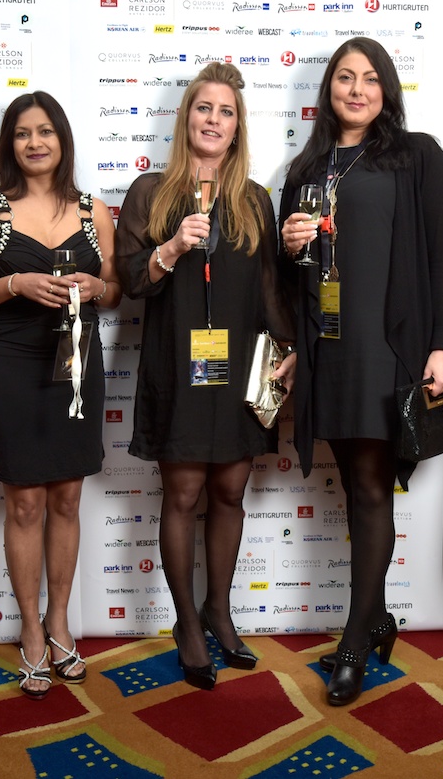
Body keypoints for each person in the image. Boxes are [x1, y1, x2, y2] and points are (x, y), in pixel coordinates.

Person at [279, 37, 443, 707]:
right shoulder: (306, 168)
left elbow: (442, 257)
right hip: (328, 346)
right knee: (357, 485)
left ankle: (355, 642)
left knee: (372, 486)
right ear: (328, 88)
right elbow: (294, 272)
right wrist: (290, 244)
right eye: (345, 77)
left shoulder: (417, 156)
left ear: (387, 89)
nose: (357, 89)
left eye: (370, 78)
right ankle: (378, 617)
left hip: (388, 346)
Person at [116, 62, 296, 690]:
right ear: (185, 117)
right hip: (178, 365)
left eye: (226, 111)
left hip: (239, 367)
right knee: (183, 495)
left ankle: (219, 609)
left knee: (229, 494)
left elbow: (270, 289)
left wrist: (289, 351)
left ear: (237, 126)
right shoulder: (151, 192)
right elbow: (129, 281)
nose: (213, 120)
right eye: (204, 108)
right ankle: (186, 622)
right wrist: (170, 248)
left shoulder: (254, 200)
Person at [0, 91, 121, 699]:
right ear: (9, 144)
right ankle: (28, 628)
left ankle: (60, 622)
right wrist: (14, 283)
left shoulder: (92, 210)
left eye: (46, 131)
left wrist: (95, 287)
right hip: (14, 366)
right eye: (23, 133)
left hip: (76, 366)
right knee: (24, 504)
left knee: (68, 499)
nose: (35, 142)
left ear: (62, 139)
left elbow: (115, 291)